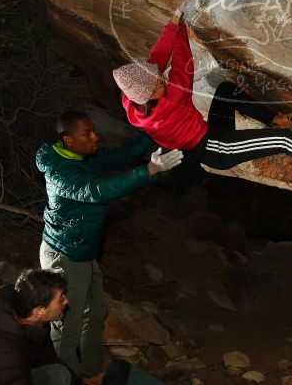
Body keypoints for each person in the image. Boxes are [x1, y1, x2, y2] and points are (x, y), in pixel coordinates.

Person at [112, 9, 292, 184]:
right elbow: (184, 64)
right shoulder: (172, 98)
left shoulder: (133, 101)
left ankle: (275, 119)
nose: (161, 76)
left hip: (205, 133)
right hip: (215, 149)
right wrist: (182, 30)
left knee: (225, 90)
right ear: (151, 94)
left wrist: (171, 24)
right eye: (159, 81)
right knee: (283, 142)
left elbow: (156, 59)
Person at [35, 111, 182, 381]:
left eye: (94, 131)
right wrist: (148, 170)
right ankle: (66, 378)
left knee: (95, 312)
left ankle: (91, 373)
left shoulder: (84, 156)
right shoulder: (60, 170)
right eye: (87, 133)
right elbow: (96, 191)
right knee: (68, 323)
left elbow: (121, 156)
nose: (95, 137)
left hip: (85, 252)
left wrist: (156, 127)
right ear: (68, 140)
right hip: (65, 255)